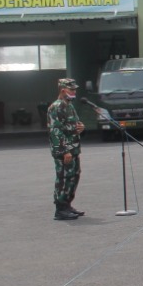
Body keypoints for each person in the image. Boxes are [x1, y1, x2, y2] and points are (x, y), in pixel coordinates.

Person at [48, 78, 87, 221]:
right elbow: (55, 131)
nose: (74, 92)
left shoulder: (69, 106)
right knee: (63, 178)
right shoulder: (56, 107)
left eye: (75, 89)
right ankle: (60, 208)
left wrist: (82, 128)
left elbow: (75, 125)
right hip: (64, 151)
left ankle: (67, 204)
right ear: (63, 90)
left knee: (74, 176)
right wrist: (65, 151)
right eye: (71, 89)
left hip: (74, 148)